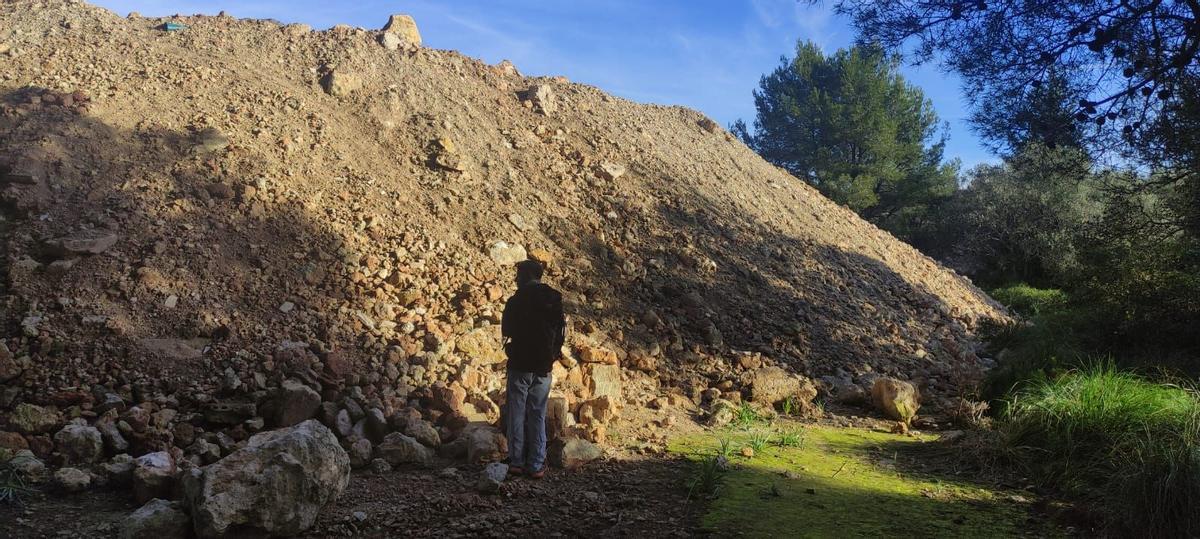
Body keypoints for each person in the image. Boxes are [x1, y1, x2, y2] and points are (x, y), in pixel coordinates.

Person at [501, 259, 565, 479]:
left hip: (520, 363)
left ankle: (516, 461)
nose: (516, 279)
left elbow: (507, 329)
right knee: (538, 412)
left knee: (516, 411)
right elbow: (560, 333)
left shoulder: (516, 300)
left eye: (518, 275)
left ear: (526, 275)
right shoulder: (554, 299)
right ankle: (536, 463)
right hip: (544, 364)